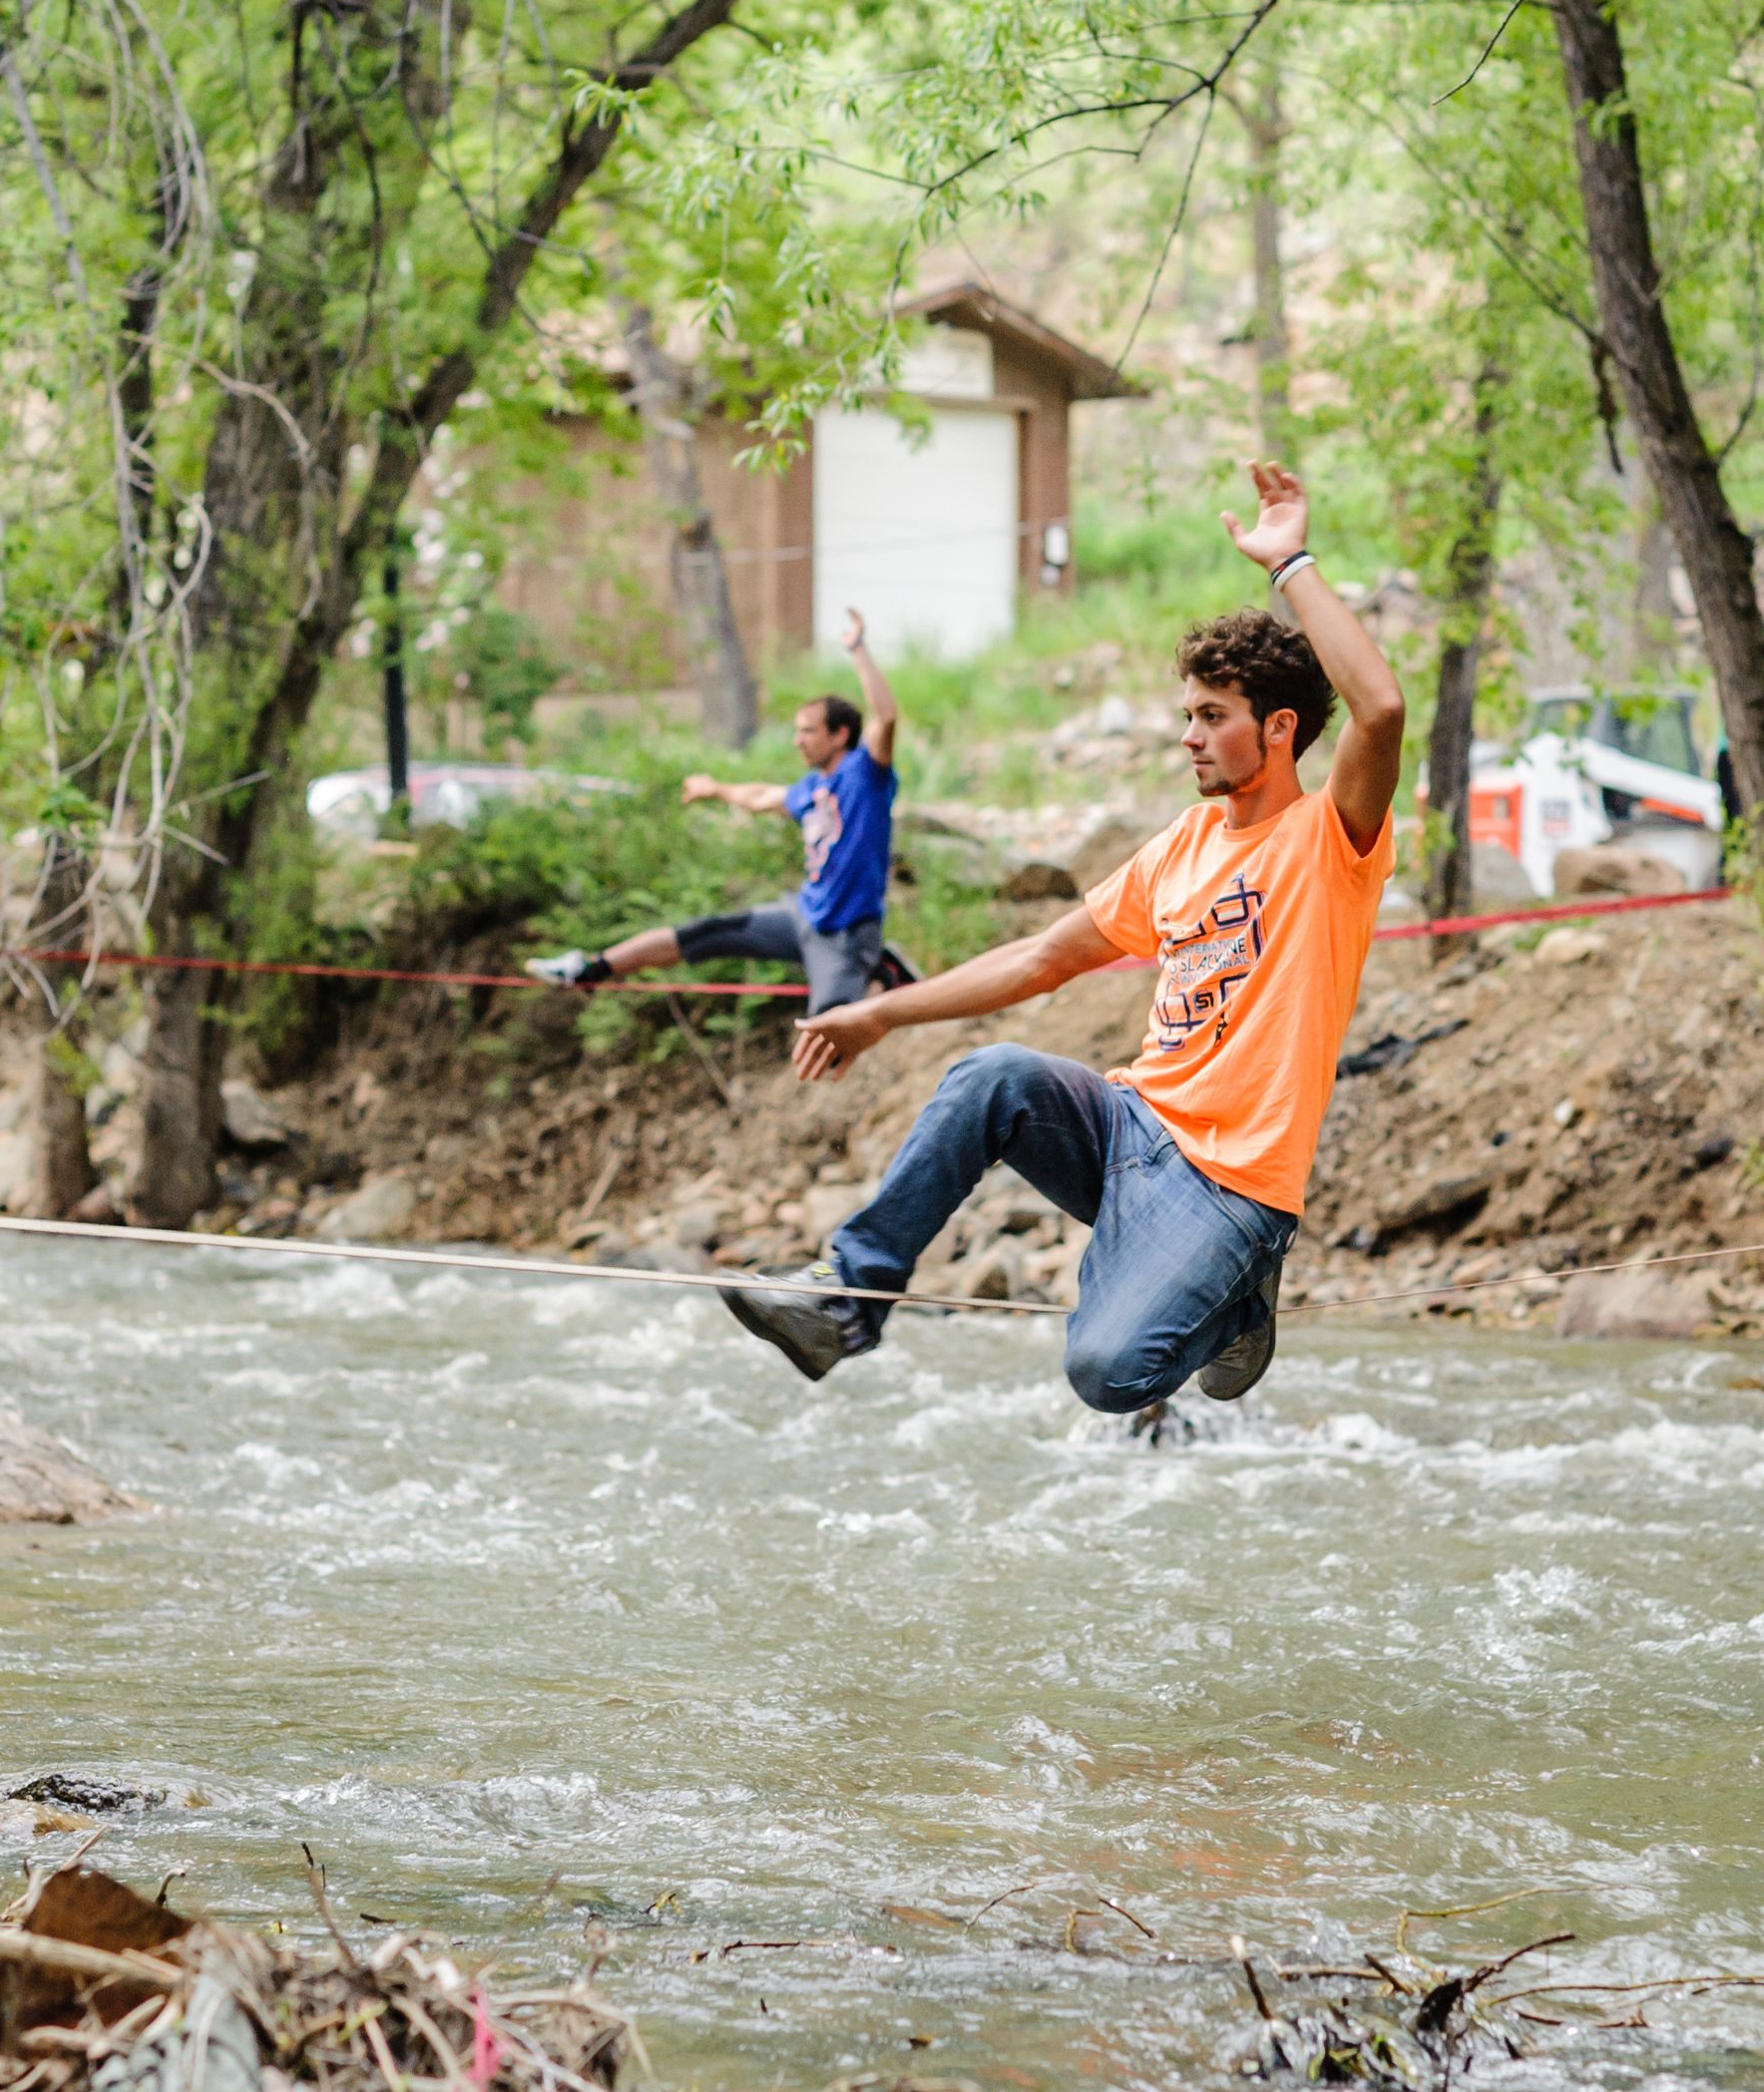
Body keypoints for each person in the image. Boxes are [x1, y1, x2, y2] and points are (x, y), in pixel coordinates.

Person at [717, 458, 1406, 1412]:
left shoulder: (1331, 839)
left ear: (1279, 728)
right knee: (990, 1075)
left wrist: (1289, 562)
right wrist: (880, 1012)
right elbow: (1041, 958)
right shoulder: (1184, 843)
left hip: (1233, 1185)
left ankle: (1242, 1297)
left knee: (1106, 1375)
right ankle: (849, 1300)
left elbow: (1381, 707)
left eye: (1213, 717)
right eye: (1186, 715)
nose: (1189, 737)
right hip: (1131, 1128)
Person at [528, 610, 911, 1012]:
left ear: (840, 735)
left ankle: (880, 964)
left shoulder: (865, 775)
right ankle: (592, 968)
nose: (797, 741)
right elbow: (761, 796)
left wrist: (857, 649)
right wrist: (715, 789)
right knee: (707, 932)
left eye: (808, 731)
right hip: (804, 916)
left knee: (828, 1043)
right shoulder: (810, 789)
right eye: (796, 731)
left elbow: (886, 716)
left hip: (847, 935)